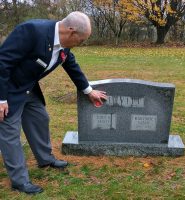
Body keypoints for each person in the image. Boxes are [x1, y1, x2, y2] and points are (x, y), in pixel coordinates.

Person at [0, 11, 107, 194]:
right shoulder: (32, 31)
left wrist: (88, 90)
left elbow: (70, 64)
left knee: (40, 118)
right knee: (10, 133)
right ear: (71, 31)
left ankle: (45, 159)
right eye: (81, 40)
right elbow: (2, 62)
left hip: (28, 88)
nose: (80, 44)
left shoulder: (63, 45)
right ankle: (20, 181)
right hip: (7, 89)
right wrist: (1, 99)